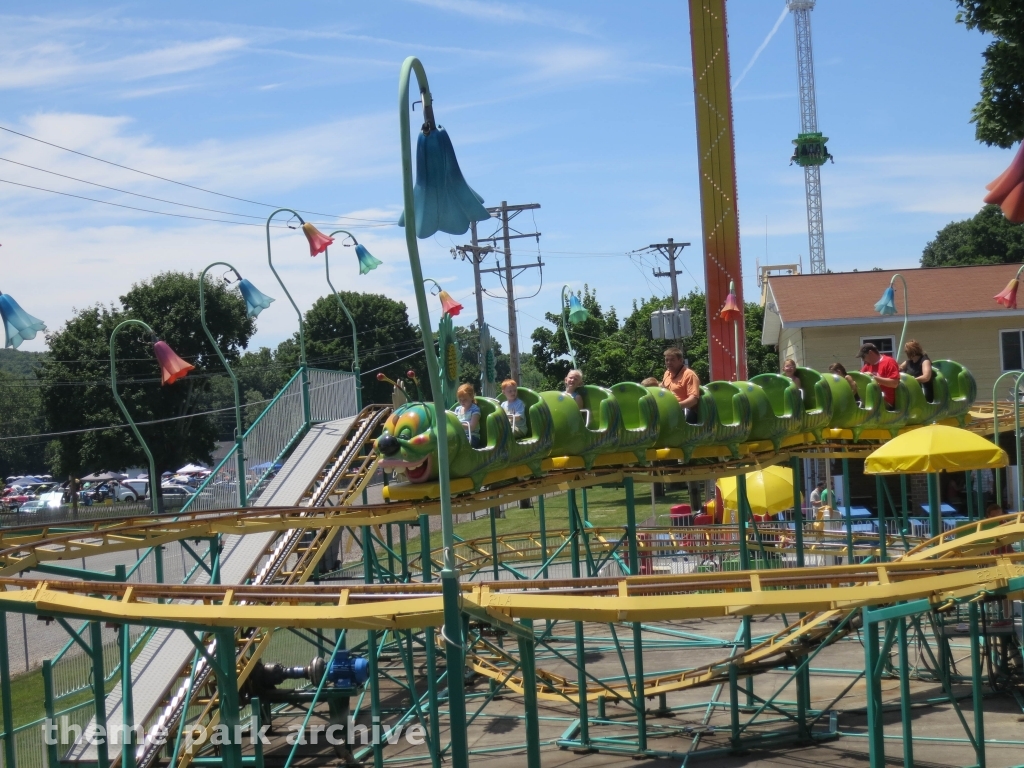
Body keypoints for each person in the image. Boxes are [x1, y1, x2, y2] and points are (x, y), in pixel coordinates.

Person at [662, 347, 701, 425]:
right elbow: (662, 390)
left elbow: (693, 400)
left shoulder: (689, 375)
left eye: (672, 360)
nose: (669, 362)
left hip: (685, 411)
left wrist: (676, 407)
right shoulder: (667, 373)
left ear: (680, 361)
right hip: (667, 410)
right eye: (667, 360)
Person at [858, 343, 900, 408]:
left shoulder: (889, 362)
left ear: (870, 353)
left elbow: (894, 383)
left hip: (885, 402)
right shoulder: (867, 366)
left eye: (863, 357)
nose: (863, 360)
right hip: (870, 399)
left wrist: (873, 377)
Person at [453, 383, 483, 448]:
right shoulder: (457, 409)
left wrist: (457, 424)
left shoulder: (475, 409)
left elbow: (472, 427)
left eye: (465, 399)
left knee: (458, 444)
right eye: (460, 400)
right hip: (460, 436)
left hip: (472, 437)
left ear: (471, 397)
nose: (462, 402)